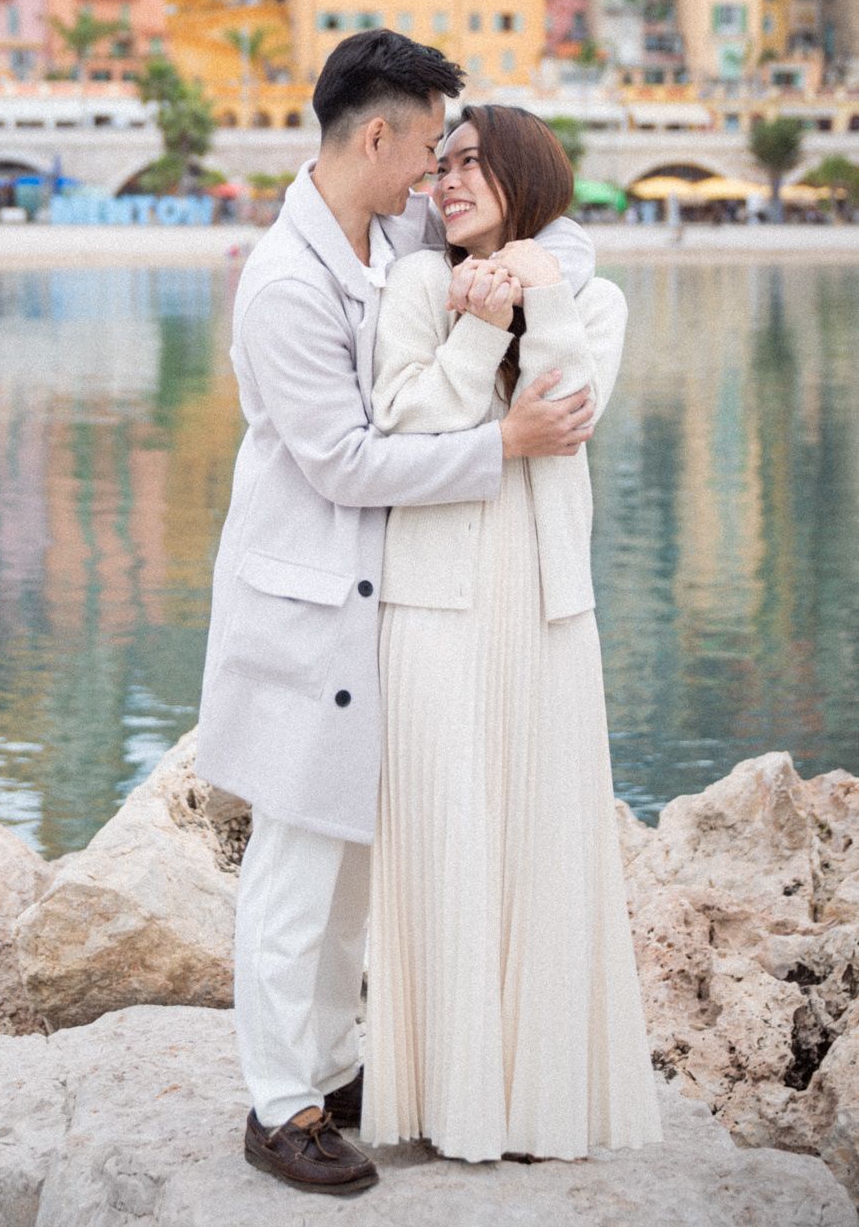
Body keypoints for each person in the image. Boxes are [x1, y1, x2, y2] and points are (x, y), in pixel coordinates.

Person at [196, 31, 598, 1197]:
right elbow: (344, 460)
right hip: (307, 602)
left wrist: (516, 276)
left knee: (352, 870)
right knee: (295, 863)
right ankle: (278, 1104)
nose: (438, 172)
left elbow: (555, 231)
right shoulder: (286, 281)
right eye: (429, 146)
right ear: (377, 136)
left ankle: (330, 1065)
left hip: (384, 606)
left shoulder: (397, 227)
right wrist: (502, 442)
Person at [363, 105, 661, 1163]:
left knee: (544, 843)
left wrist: (540, 298)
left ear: (525, 175)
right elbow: (402, 418)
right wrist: (479, 329)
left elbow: (568, 414)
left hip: (545, 602)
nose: (445, 181)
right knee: (443, 839)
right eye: (439, 165)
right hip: (431, 600)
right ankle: (448, 1102)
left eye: (470, 163)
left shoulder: (594, 297)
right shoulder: (415, 285)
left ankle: (541, 1106)